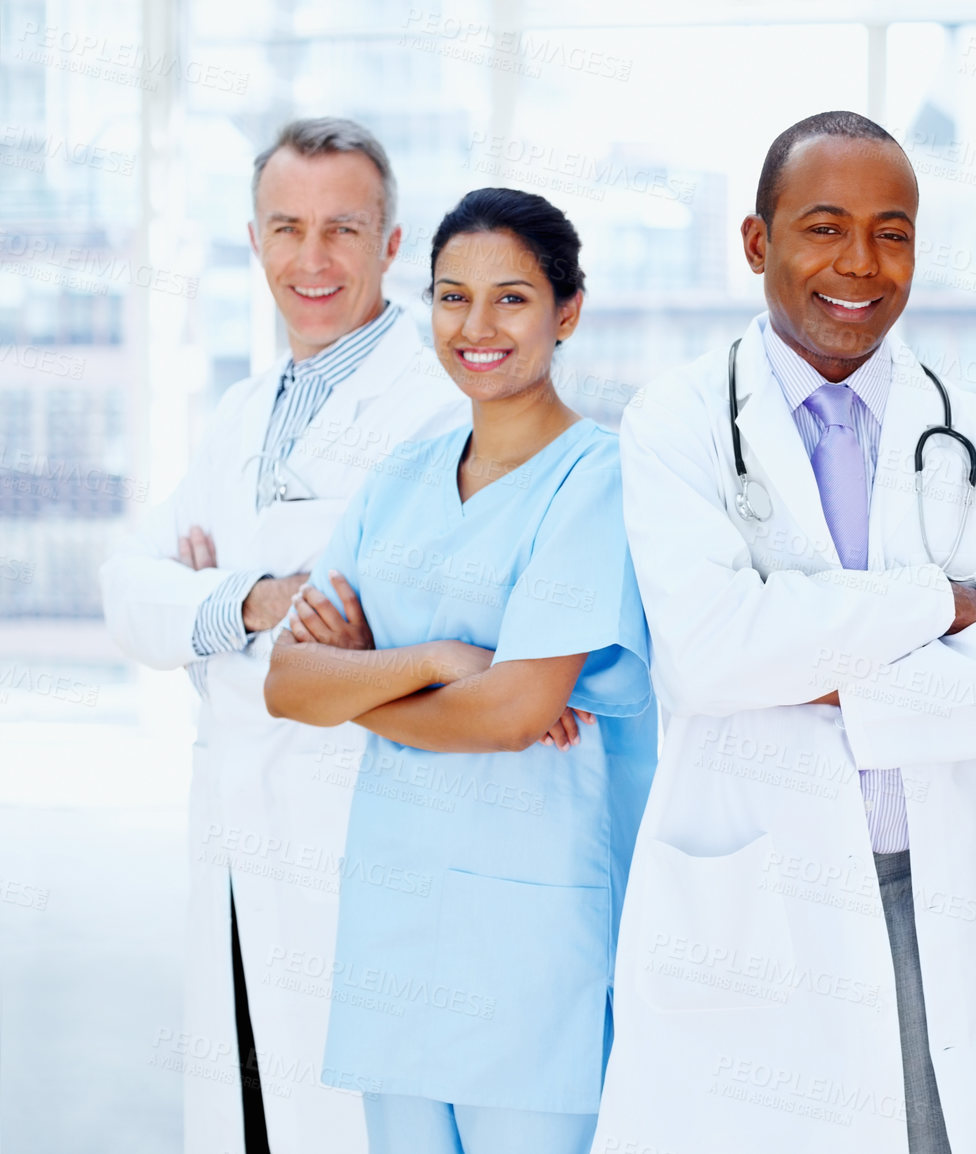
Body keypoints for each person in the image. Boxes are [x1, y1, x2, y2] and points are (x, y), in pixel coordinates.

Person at [593, 111, 976, 1154]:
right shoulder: (678, 422)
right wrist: (935, 605)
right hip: (756, 895)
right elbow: (708, 652)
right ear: (758, 243)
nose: (859, 263)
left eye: (892, 232)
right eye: (823, 227)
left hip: (952, 887)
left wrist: (842, 681)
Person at [261, 187, 655, 1154]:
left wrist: (366, 681)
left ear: (568, 310)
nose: (476, 327)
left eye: (512, 299)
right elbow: (285, 683)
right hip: (396, 927)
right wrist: (441, 663)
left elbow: (519, 711)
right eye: (450, 297)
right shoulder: (402, 473)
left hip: (534, 945)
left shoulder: (600, 479)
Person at [99, 118, 462, 1154]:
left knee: (348, 1116)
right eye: (287, 227)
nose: (313, 258)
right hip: (233, 824)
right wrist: (253, 600)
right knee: (253, 1106)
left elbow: (390, 627)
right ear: (253, 240)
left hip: (355, 824)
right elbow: (127, 591)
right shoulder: (241, 410)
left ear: (392, 245)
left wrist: (203, 606)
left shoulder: (434, 409)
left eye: (343, 228)